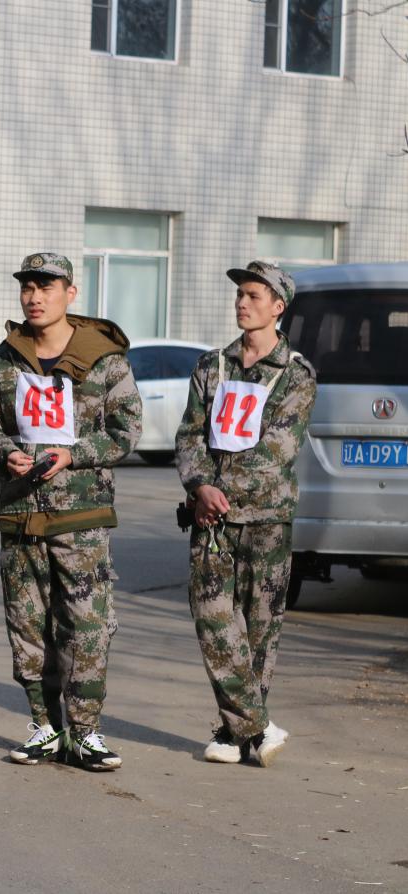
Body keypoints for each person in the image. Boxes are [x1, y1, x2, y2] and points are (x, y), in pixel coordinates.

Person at [0, 252, 141, 772]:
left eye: (46, 287)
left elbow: (126, 431)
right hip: (20, 513)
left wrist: (74, 454)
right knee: (27, 624)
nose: (35, 297)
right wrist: (4, 452)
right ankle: (45, 726)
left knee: (87, 626)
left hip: (81, 517)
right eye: (28, 288)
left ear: (71, 293)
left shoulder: (104, 359)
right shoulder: (3, 360)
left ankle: (85, 732)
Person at [174, 261, 315, 767]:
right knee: (213, 620)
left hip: (266, 520)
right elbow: (190, 434)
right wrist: (200, 486)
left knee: (259, 631)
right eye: (240, 294)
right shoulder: (211, 366)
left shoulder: (295, 374)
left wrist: (220, 492)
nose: (242, 302)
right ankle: (261, 727)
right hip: (210, 519)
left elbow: (277, 449)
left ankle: (234, 733)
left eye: (254, 296)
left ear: (278, 307)